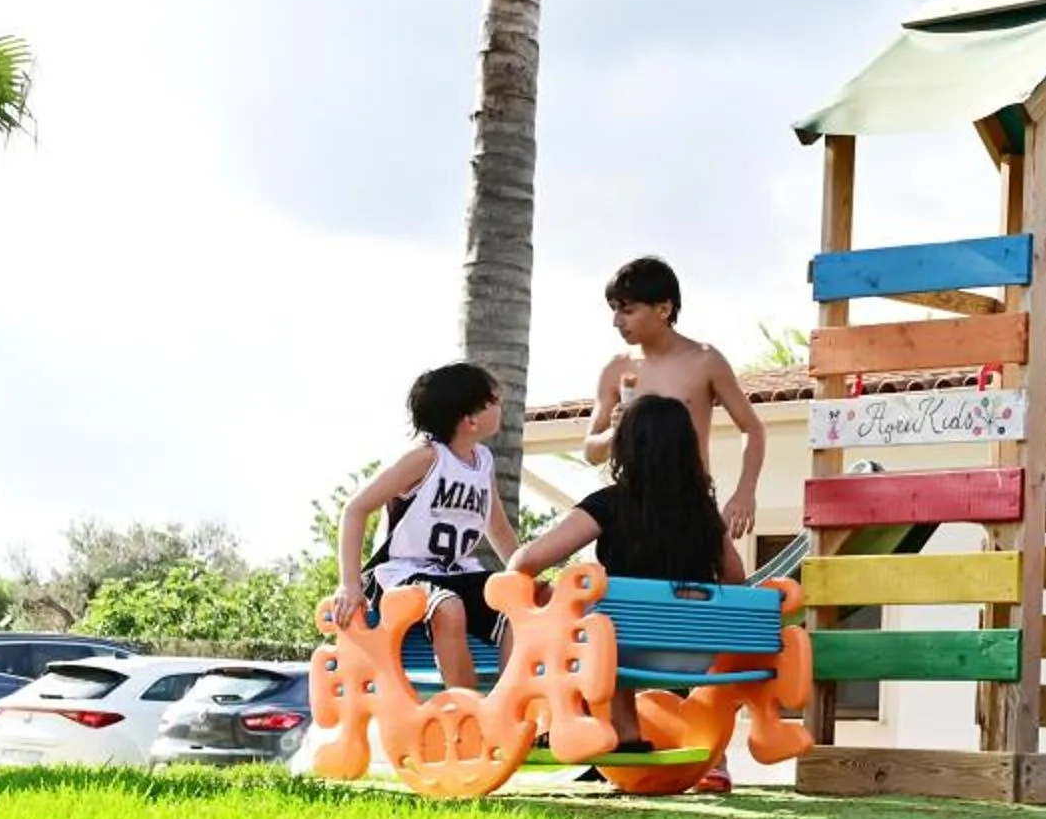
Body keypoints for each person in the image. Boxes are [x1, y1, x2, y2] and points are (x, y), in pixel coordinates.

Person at [512, 394, 747, 757]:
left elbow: (526, 561)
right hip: (694, 655)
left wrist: (541, 587)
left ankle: (566, 720)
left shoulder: (609, 504)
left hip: (620, 651)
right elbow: (735, 578)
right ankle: (626, 735)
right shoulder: (703, 514)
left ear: (625, 449)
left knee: (574, 612)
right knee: (613, 624)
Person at [325, 362, 515, 693]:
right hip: (400, 574)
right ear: (470, 420)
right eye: (493, 400)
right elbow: (355, 510)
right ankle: (467, 708)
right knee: (448, 607)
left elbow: (497, 526)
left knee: (516, 606)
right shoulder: (425, 460)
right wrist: (349, 584)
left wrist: (522, 573)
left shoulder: (482, 461)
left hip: (455, 572)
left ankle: (508, 704)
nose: (501, 404)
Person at [579, 256, 768, 544]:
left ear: (664, 309)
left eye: (627, 310)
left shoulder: (705, 360)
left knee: (726, 578)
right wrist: (614, 433)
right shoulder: (615, 369)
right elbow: (591, 453)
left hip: (689, 503)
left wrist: (746, 492)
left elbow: (752, 428)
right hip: (631, 507)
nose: (617, 321)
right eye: (615, 310)